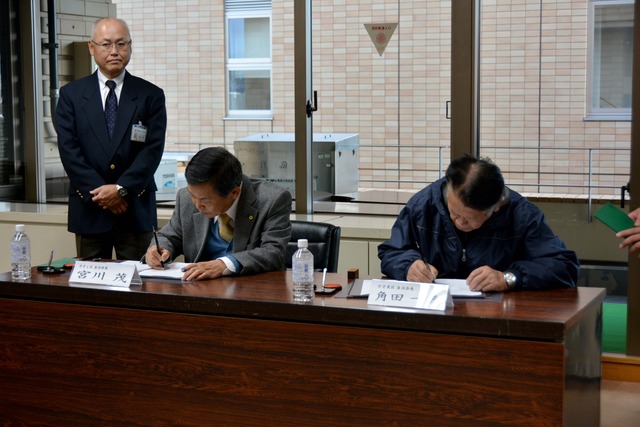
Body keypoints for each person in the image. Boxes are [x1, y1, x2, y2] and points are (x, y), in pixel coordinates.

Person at [378, 155, 579, 292]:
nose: (458, 222)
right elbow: (392, 251)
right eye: (453, 213)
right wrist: (409, 267)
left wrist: (508, 278)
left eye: (469, 218)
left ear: (496, 206)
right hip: (436, 310)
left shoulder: (522, 215)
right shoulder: (424, 204)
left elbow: (563, 266)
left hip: (501, 316)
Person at [55, 18, 167, 260]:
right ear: (91, 47)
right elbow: (69, 150)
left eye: (121, 44)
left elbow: (152, 150)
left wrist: (121, 190)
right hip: (90, 208)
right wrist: (102, 196)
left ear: (130, 46)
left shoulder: (151, 95)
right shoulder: (71, 95)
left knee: (140, 283)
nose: (115, 51)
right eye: (106, 44)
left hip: (134, 208)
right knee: (91, 287)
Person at [145, 146, 292, 281]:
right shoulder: (185, 198)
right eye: (192, 195)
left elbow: (273, 252)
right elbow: (170, 236)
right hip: (199, 288)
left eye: (205, 200)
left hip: (254, 288)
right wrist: (159, 249)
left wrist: (224, 264)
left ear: (234, 193)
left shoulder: (272, 199)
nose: (197, 204)